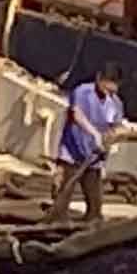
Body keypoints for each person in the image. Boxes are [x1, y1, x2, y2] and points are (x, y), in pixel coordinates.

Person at [57, 74, 127, 215]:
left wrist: (115, 135)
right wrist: (95, 134)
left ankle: (92, 224)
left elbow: (117, 125)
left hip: (94, 158)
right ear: (100, 80)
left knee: (94, 203)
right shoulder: (83, 92)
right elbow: (77, 115)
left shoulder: (115, 103)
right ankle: (55, 222)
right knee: (63, 195)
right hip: (73, 152)